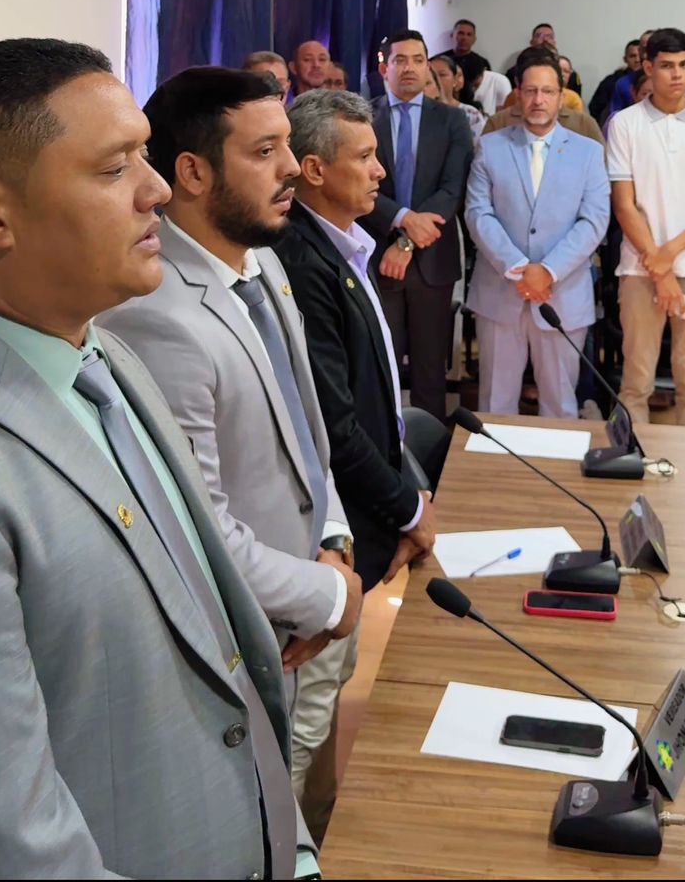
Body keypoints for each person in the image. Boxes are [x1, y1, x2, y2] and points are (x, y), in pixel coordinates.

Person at [0, 39, 307, 880]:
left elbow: (218, 647)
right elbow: (11, 848)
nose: (160, 189)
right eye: (114, 168)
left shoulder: (104, 355)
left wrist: (291, 845)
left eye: (146, 154)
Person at [101, 67, 363, 821]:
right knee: (265, 809)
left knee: (314, 788)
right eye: (265, 152)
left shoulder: (264, 261)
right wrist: (328, 596)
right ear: (191, 172)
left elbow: (304, 431)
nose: (292, 170)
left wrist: (335, 540)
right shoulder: (157, 314)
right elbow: (198, 526)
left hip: (313, 592)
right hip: (253, 633)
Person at [278, 90, 438, 837]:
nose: (381, 172)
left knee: (331, 694)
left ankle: (322, 833)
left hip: (359, 524)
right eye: (365, 157)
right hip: (323, 537)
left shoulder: (345, 241)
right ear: (314, 169)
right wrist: (405, 508)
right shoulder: (301, 259)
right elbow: (334, 424)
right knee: (304, 722)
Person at [608, 28, 685, 473]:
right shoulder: (625, 124)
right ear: (647, 67)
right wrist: (659, 270)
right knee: (636, 383)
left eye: (683, 65)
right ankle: (635, 471)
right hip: (639, 272)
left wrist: (669, 256)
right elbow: (624, 205)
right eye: (666, 66)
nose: (676, 74)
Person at [465, 51, 610, 416]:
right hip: (500, 291)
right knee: (495, 405)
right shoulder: (491, 146)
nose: (538, 100)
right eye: (530, 91)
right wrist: (518, 267)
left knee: (560, 405)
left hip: (563, 293)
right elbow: (478, 212)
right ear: (518, 93)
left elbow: (594, 220)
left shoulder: (589, 152)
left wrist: (547, 270)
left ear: (561, 96)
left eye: (547, 91)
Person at [360, 29, 474, 421]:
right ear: (384, 68)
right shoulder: (362, 118)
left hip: (432, 260)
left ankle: (431, 448)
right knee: (382, 365)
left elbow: (453, 189)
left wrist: (405, 242)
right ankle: (387, 448)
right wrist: (404, 219)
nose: (409, 68)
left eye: (418, 60)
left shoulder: (452, 120)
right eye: (400, 60)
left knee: (430, 371)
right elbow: (358, 185)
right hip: (377, 256)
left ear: (428, 68)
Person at [431, 52, 486, 143]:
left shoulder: (471, 114)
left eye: (442, 75)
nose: (436, 80)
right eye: (431, 75)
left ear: (455, 80)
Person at [589, 39, 642, 122]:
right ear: (625, 59)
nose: (637, 60)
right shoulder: (611, 82)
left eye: (640, 56)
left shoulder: (653, 80)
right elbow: (595, 108)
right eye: (632, 56)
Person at [607, 29, 655, 115]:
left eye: (651, 48)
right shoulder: (623, 83)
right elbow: (614, 115)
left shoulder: (674, 80)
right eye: (643, 49)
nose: (646, 54)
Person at [443, 18, 489, 100]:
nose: (464, 38)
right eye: (461, 33)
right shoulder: (439, 61)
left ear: (474, 39)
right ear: (452, 36)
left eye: (469, 34)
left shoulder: (482, 63)